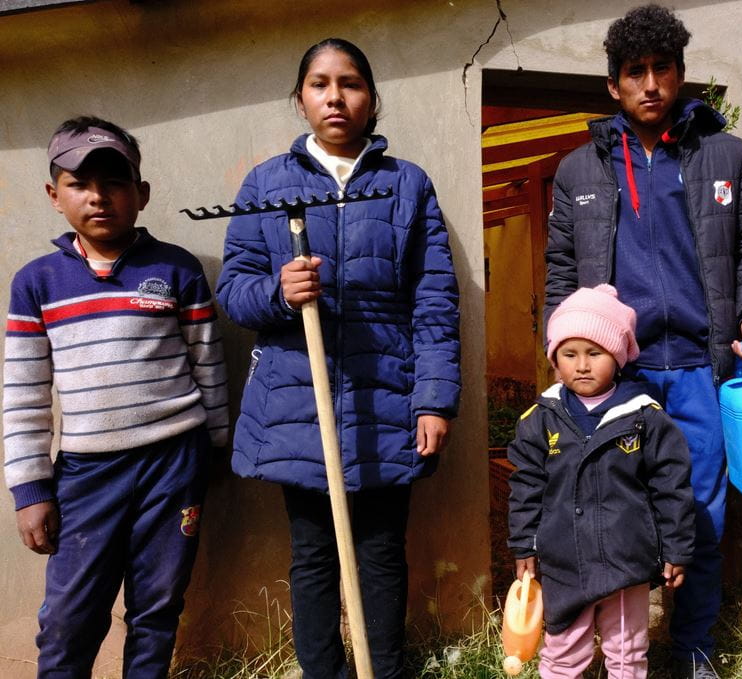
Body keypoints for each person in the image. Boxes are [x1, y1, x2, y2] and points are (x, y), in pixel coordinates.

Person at [215, 38, 460, 679]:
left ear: (371, 99)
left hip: (388, 393)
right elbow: (235, 292)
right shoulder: (267, 184)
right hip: (301, 398)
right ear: (300, 98)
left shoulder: (406, 185)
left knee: (381, 552)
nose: (335, 96)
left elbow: (434, 300)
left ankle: (384, 670)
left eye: (349, 82)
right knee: (315, 553)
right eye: (320, 83)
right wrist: (278, 292)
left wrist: (434, 399)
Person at [544, 5, 742, 676]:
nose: (650, 83)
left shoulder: (724, 155)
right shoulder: (579, 170)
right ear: (613, 86)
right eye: (634, 72)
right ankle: (625, 653)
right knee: (617, 515)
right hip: (621, 379)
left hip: (702, 370)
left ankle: (694, 647)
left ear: (681, 73)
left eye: (661, 69)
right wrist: (567, 358)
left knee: (699, 512)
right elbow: (562, 272)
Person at [2, 116, 229, 678]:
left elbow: (209, 364)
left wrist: (214, 450)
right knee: (69, 618)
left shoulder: (176, 270)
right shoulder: (37, 283)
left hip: (174, 465)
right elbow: (24, 393)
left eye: (115, 182)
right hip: (86, 476)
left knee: (156, 609)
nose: (98, 197)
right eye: (79, 183)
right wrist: (30, 488)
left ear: (141, 193)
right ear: (55, 196)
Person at [508, 284, 695, 678]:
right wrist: (524, 542)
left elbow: (671, 487)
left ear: (619, 355)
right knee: (562, 652)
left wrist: (676, 547)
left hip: (625, 561)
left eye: (595, 353)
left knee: (627, 653)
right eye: (569, 354)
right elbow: (526, 487)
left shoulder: (645, 418)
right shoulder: (539, 420)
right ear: (554, 358)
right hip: (564, 561)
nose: (582, 365)